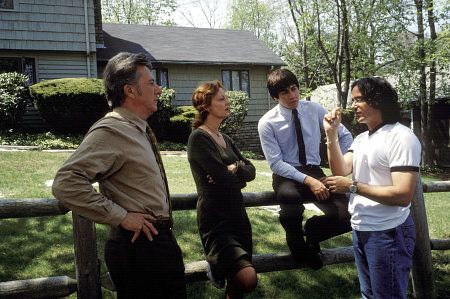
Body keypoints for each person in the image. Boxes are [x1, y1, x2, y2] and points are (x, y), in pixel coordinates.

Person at [52, 52, 186, 298]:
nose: (159, 89)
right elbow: (66, 183)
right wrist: (122, 216)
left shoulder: (137, 128)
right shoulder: (112, 129)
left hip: (157, 243)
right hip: (138, 248)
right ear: (130, 91)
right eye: (151, 83)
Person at [322, 77, 421, 298]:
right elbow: (340, 170)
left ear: (378, 100)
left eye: (359, 100)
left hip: (388, 231)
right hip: (361, 228)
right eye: (353, 100)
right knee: (369, 295)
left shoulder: (401, 137)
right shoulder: (361, 139)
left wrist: (352, 187)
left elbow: (403, 195)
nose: (353, 106)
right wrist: (331, 134)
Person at [258, 69, 353, 270]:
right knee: (289, 195)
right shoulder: (267, 122)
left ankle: (313, 230)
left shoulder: (315, 109)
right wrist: (309, 181)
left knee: (348, 215)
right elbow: (275, 163)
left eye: (294, 89)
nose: (292, 96)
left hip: (314, 170)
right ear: (275, 96)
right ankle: (296, 239)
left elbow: (345, 136)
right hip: (286, 174)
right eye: (285, 92)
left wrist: (339, 163)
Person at [187, 80, 258, 298]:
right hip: (216, 221)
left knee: (238, 287)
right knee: (247, 277)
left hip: (238, 217)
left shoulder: (225, 138)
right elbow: (223, 178)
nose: (228, 102)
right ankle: (215, 266)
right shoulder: (199, 137)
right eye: (222, 99)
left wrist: (233, 168)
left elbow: (252, 170)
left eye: (226, 98)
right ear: (206, 106)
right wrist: (235, 172)